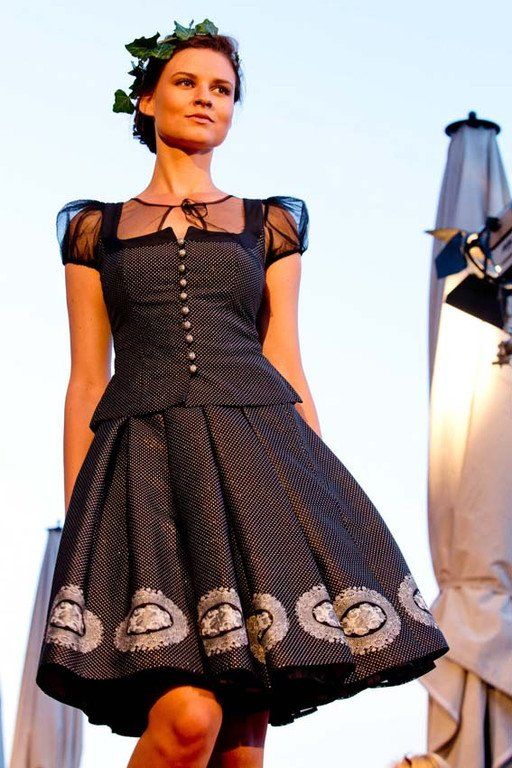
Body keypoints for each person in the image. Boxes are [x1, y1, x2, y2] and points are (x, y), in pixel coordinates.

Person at [36, 18, 449, 768]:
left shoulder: (271, 223)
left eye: (222, 89)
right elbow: (87, 379)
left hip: (259, 470)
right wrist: (80, 526)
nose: (206, 99)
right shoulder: (94, 229)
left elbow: (286, 359)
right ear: (146, 101)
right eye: (187, 83)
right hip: (145, 478)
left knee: (240, 747)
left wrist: (321, 505)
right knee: (187, 720)